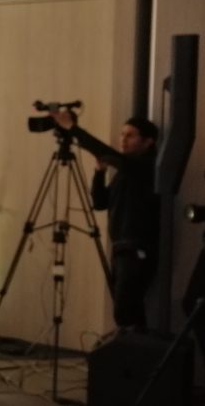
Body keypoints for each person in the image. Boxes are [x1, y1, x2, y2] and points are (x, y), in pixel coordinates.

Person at [50, 111, 159, 329]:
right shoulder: (125, 172)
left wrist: (73, 128)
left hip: (136, 249)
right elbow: (100, 203)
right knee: (128, 308)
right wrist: (99, 173)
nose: (123, 139)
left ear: (148, 142)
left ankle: (133, 347)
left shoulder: (146, 167)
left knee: (125, 310)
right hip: (121, 248)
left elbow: (105, 152)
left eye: (130, 135)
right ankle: (134, 346)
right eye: (122, 134)